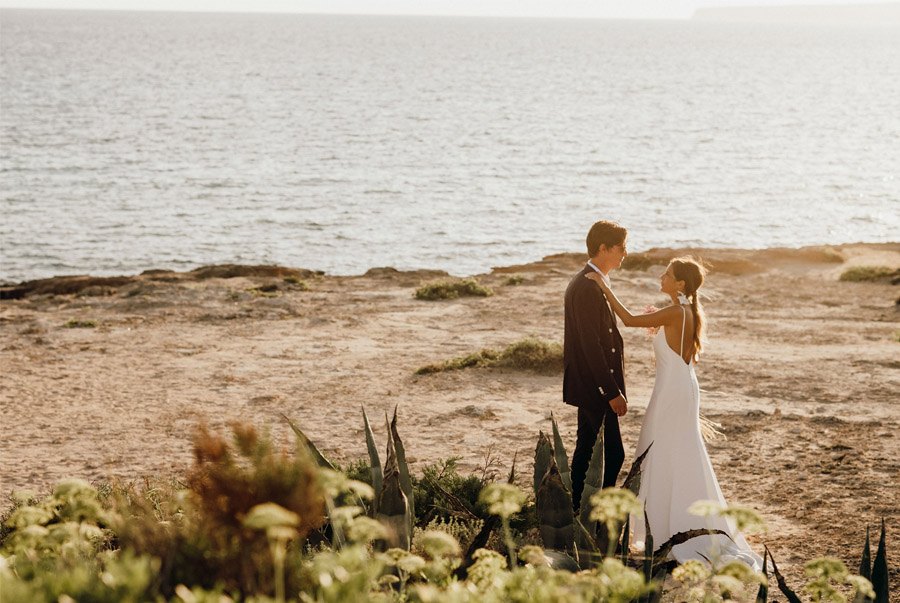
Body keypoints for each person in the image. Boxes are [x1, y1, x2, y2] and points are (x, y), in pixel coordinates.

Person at [586, 258, 762, 569]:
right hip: (677, 388)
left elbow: (626, 319)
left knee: (661, 453)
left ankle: (673, 531)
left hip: (672, 393)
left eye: (667, 274)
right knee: (669, 453)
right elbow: (672, 344)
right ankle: (668, 528)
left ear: (680, 284)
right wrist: (657, 325)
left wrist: (603, 286)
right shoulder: (683, 312)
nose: (662, 277)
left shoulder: (677, 312)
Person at [564, 220, 629, 512]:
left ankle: (577, 508)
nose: (624, 254)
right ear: (603, 248)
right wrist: (611, 390)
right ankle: (598, 516)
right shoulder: (587, 286)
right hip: (595, 387)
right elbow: (591, 346)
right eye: (620, 247)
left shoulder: (591, 280)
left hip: (592, 385)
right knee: (612, 455)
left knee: (588, 448)